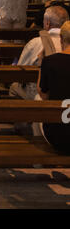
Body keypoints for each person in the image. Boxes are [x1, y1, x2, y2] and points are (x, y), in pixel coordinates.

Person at [10, 6, 69, 100]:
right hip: (65, 93)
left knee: (14, 87)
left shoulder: (36, 43)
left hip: (40, 93)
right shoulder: (67, 43)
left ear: (47, 23)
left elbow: (20, 71)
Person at [37, 21, 70, 154]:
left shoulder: (50, 61)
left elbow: (43, 95)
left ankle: (40, 157)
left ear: (61, 39)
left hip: (58, 134)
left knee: (38, 103)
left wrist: (41, 64)